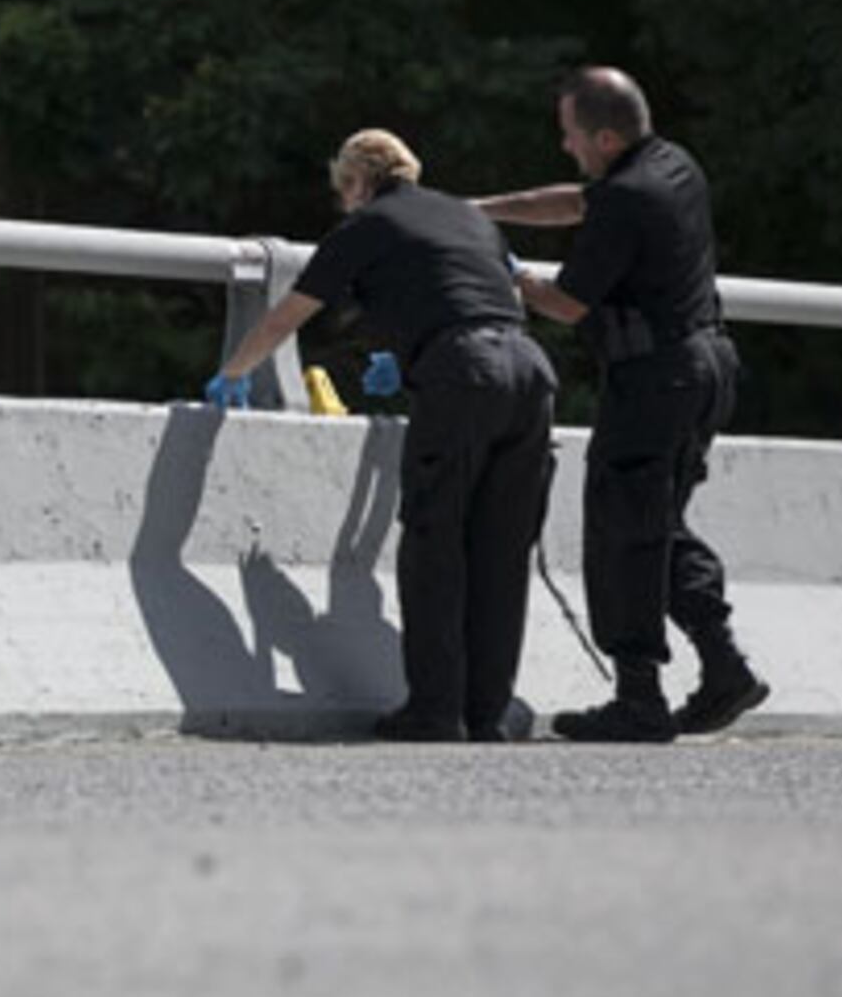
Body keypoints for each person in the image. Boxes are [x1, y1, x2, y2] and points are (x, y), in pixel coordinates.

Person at [207, 129, 555, 742]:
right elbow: (481, 292)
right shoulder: (468, 219)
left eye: (342, 193)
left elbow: (289, 314)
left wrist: (232, 370)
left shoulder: (366, 225)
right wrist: (415, 357)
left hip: (462, 372)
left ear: (355, 182)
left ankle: (435, 711)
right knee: (501, 552)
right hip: (530, 373)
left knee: (435, 541)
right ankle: (488, 713)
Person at [473, 67, 770, 743]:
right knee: (658, 521)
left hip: (656, 378)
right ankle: (723, 666)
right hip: (706, 367)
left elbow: (567, 303)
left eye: (572, 136)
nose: (566, 146)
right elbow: (577, 202)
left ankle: (639, 696)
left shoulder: (628, 198)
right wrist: (482, 210)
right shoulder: (671, 165)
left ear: (606, 137)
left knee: (623, 529)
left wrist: (500, 268)